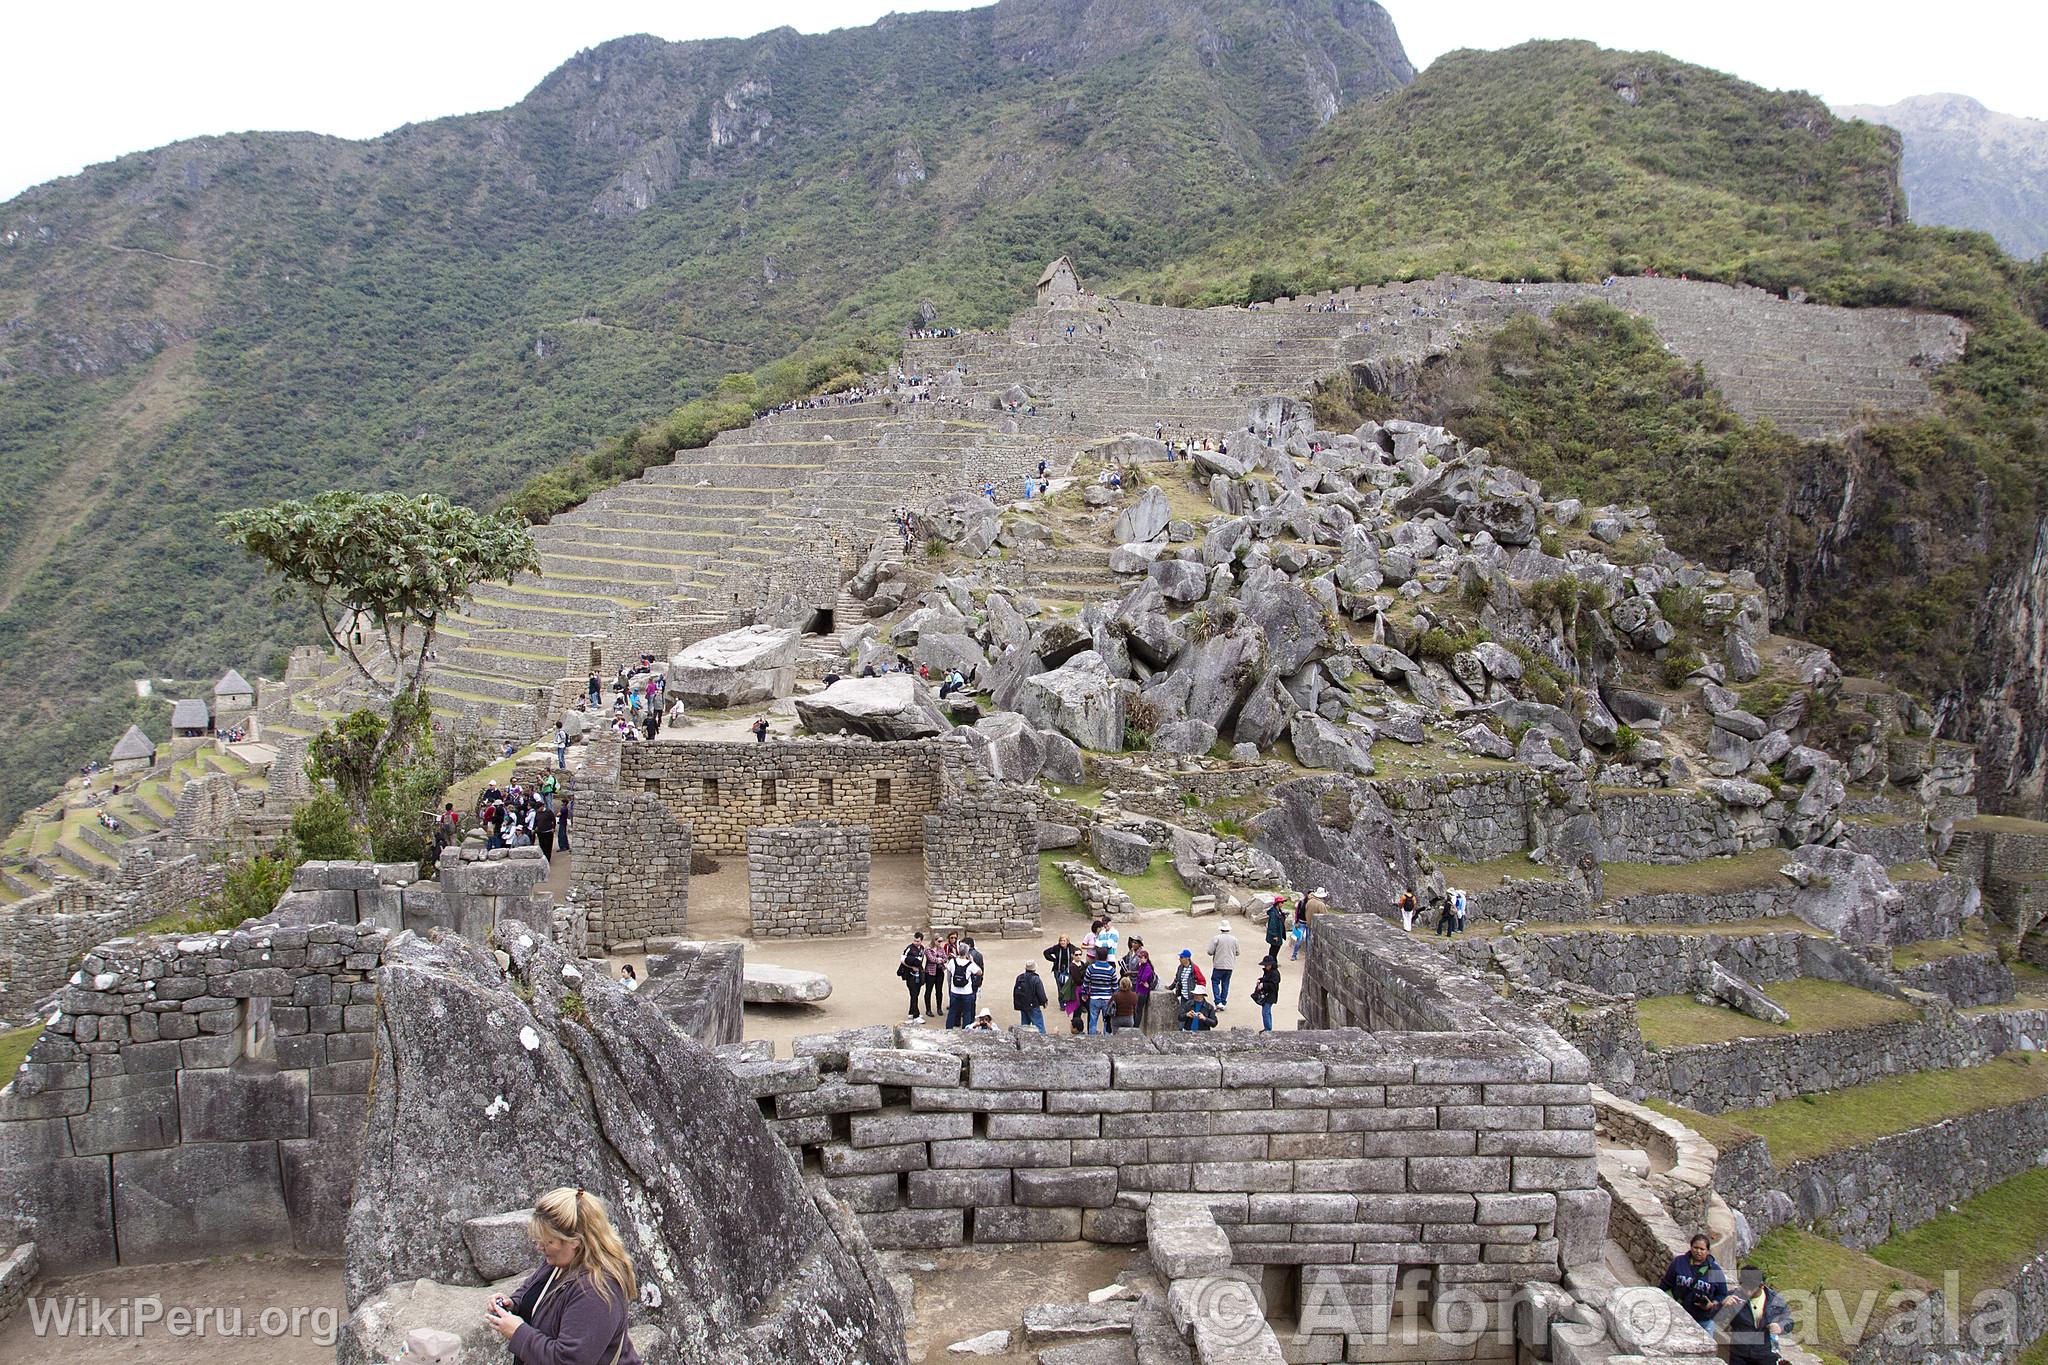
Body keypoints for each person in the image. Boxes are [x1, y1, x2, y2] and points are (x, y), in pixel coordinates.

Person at [484, 1187, 641, 1365]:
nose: (540, 1247)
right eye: (539, 1240)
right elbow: (534, 1291)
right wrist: (512, 1304)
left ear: (575, 1241)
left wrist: (518, 1332)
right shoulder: (561, 1262)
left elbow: (569, 1361)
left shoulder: (596, 1290)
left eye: (548, 1241)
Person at [1722, 1265, 1793, 1364]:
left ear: (1761, 1286)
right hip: (1739, 1353)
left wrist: (1780, 1326)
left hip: (1765, 1354)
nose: (1746, 1292)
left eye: (1751, 1289)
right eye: (1743, 1286)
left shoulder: (1775, 1300)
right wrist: (1722, 1306)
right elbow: (1715, 1319)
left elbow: (1789, 1321)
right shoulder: (1733, 1296)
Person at [1660, 1234, 1730, 1330]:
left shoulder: (1714, 1270)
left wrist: (1712, 1304)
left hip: (1703, 1320)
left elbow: (1722, 1294)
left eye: (1702, 1249)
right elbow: (1666, 1284)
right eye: (1695, 1247)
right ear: (1691, 1247)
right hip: (1678, 1314)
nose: (1698, 1251)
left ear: (1708, 1251)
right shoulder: (1679, 1262)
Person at [944, 944, 983, 1028]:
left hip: (954, 991)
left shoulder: (953, 962)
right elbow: (979, 972)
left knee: (952, 1011)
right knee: (967, 1013)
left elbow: (948, 968)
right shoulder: (970, 964)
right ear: (967, 952)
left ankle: (948, 1030)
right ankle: (966, 1031)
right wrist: (972, 961)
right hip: (966, 992)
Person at [1082, 947, 1120, 1035]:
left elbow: (1086, 983)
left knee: (1093, 1021)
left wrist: (1085, 994)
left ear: (1097, 956)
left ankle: (1092, 1039)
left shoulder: (1091, 968)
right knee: (1107, 1022)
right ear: (1106, 957)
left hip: (1094, 997)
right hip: (1107, 999)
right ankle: (1106, 1040)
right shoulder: (1111, 970)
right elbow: (1115, 986)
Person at [1207, 922, 1239, 1008]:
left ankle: (1218, 1001)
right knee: (1225, 983)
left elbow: (1210, 951)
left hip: (1218, 964)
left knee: (1215, 981)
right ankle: (1223, 1001)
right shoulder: (1234, 939)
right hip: (1229, 965)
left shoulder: (1216, 938)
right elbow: (1237, 952)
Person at [899, 932, 929, 1024]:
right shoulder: (909, 948)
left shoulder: (922, 948)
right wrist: (911, 967)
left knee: (916, 994)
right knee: (914, 994)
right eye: (915, 941)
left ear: (921, 941)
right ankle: (916, 1015)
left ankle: (911, 1013)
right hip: (910, 976)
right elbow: (902, 959)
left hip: (918, 975)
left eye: (918, 941)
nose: (916, 943)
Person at [1251, 954, 1282, 1032]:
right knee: (1267, 1012)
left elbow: (1273, 986)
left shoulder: (1275, 973)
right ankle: (1268, 1028)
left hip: (1270, 996)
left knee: (1265, 1012)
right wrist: (1260, 980)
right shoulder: (1269, 971)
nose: (1265, 967)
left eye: (1266, 965)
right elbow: (1266, 979)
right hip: (1267, 995)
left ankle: (1268, 1029)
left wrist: (1263, 985)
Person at [1014, 962, 1048, 1032]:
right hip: (1033, 1005)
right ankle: (1042, 1039)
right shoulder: (1036, 979)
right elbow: (1040, 992)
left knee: (1024, 1025)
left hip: (1023, 1004)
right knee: (1039, 1025)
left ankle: (1023, 1039)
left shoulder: (1020, 977)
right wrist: (1044, 1001)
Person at [921, 936, 947, 1020]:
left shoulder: (941, 949)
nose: (940, 943)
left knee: (939, 991)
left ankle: (939, 1008)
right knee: (928, 991)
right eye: (939, 941)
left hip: (939, 971)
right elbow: (931, 959)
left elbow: (945, 958)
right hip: (930, 972)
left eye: (941, 941)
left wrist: (939, 959)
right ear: (934, 940)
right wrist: (939, 959)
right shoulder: (928, 949)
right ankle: (928, 1009)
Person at [1043, 935, 1076, 999]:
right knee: (1060, 987)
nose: (1062, 942)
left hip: (1068, 970)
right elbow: (1046, 952)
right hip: (1058, 970)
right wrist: (1054, 960)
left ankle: (1067, 1000)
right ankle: (1062, 1002)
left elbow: (1077, 954)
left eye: (1064, 941)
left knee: (1068, 986)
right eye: (1061, 941)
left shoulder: (1072, 948)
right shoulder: (1056, 948)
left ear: (1068, 942)